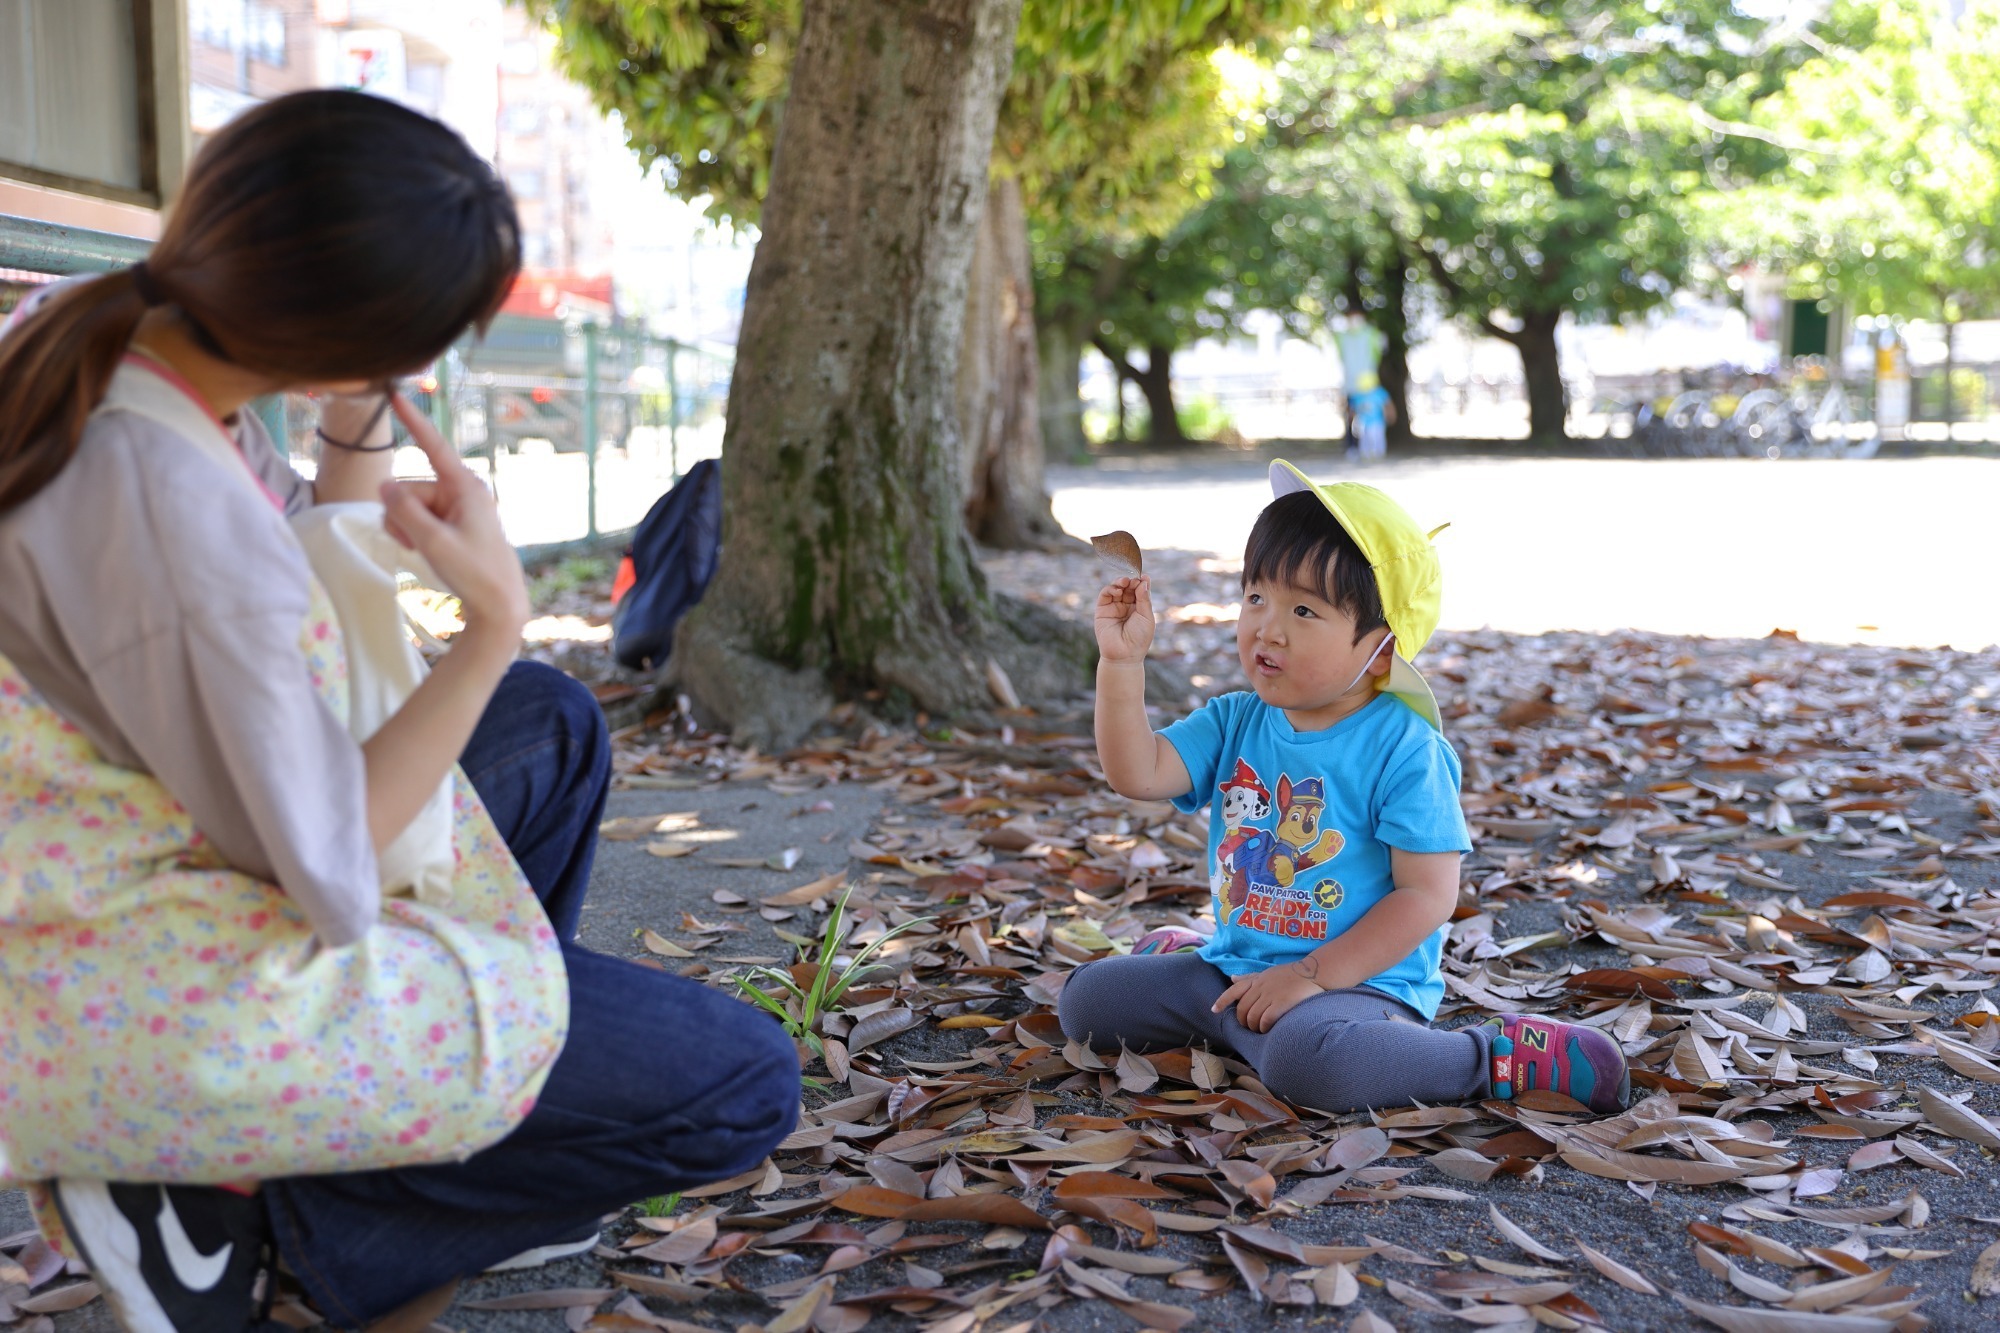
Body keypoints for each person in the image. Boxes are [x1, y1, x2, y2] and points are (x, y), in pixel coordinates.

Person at [0, 91, 797, 1333]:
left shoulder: (97, 336)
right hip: (129, 955)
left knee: (551, 726)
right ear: (350, 333)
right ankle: (262, 1232)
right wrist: (487, 627)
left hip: (91, 842)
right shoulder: (172, 505)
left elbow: (303, 560)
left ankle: (398, 1141)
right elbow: (329, 864)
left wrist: (356, 414)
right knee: (741, 1082)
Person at [1060, 462, 1630, 1116]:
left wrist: (1310, 976)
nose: (1268, 627)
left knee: (1312, 1065)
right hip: (1238, 965)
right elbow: (1138, 770)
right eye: (1256, 597)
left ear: (1381, 651)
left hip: (1356, 982)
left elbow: (1427, 894)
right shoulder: (1235, 718)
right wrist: (1122, 663)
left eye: (1304, 609)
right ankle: (1209, 986)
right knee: (1087, 1003)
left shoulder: (1406, 750)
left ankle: (1494, 1055)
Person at [1349, 374, 1394, 461]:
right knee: (1364, 439)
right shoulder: (1357, 395)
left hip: (1377, 421)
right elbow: (1353, 408)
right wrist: (1352, 419)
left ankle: (1378, 454)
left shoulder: (1379, 393)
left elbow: (1387, 405)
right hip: (1363, 422)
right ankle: (1365, 454)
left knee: (1377, 437)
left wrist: (1390, 415)